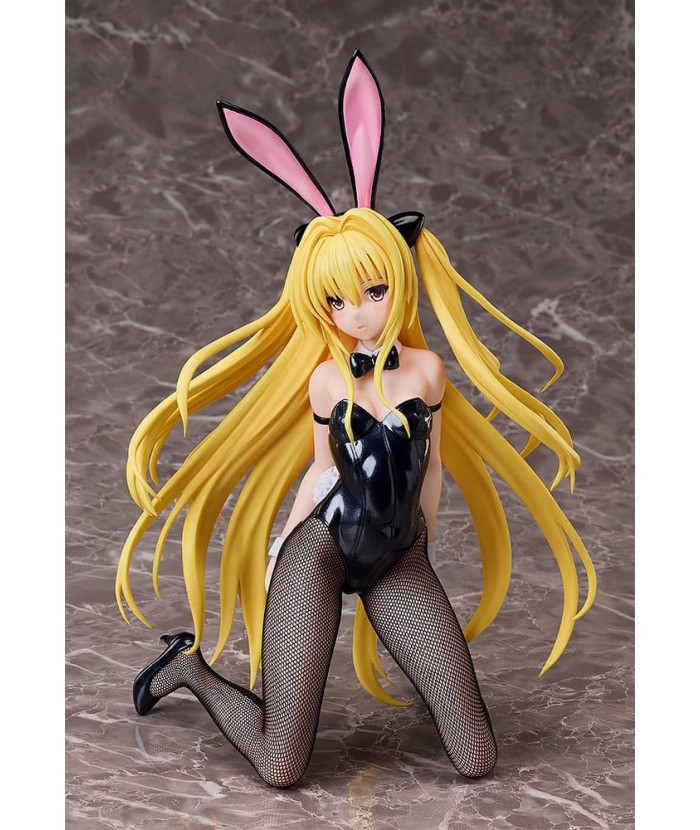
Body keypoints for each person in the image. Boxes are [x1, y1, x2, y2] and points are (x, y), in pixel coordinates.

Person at [116, 51, 595, 788]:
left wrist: (420, 544)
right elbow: (321, 470)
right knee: (282, 766)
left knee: (477, 756)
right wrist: (280, 547)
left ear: (400, 277)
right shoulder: (323, 381)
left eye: (372, 292)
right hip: (319, 551)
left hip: (398, 555)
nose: (357, 314)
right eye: (336, 301)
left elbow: (431, 467)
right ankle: (189, 669)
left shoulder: (426, 373)